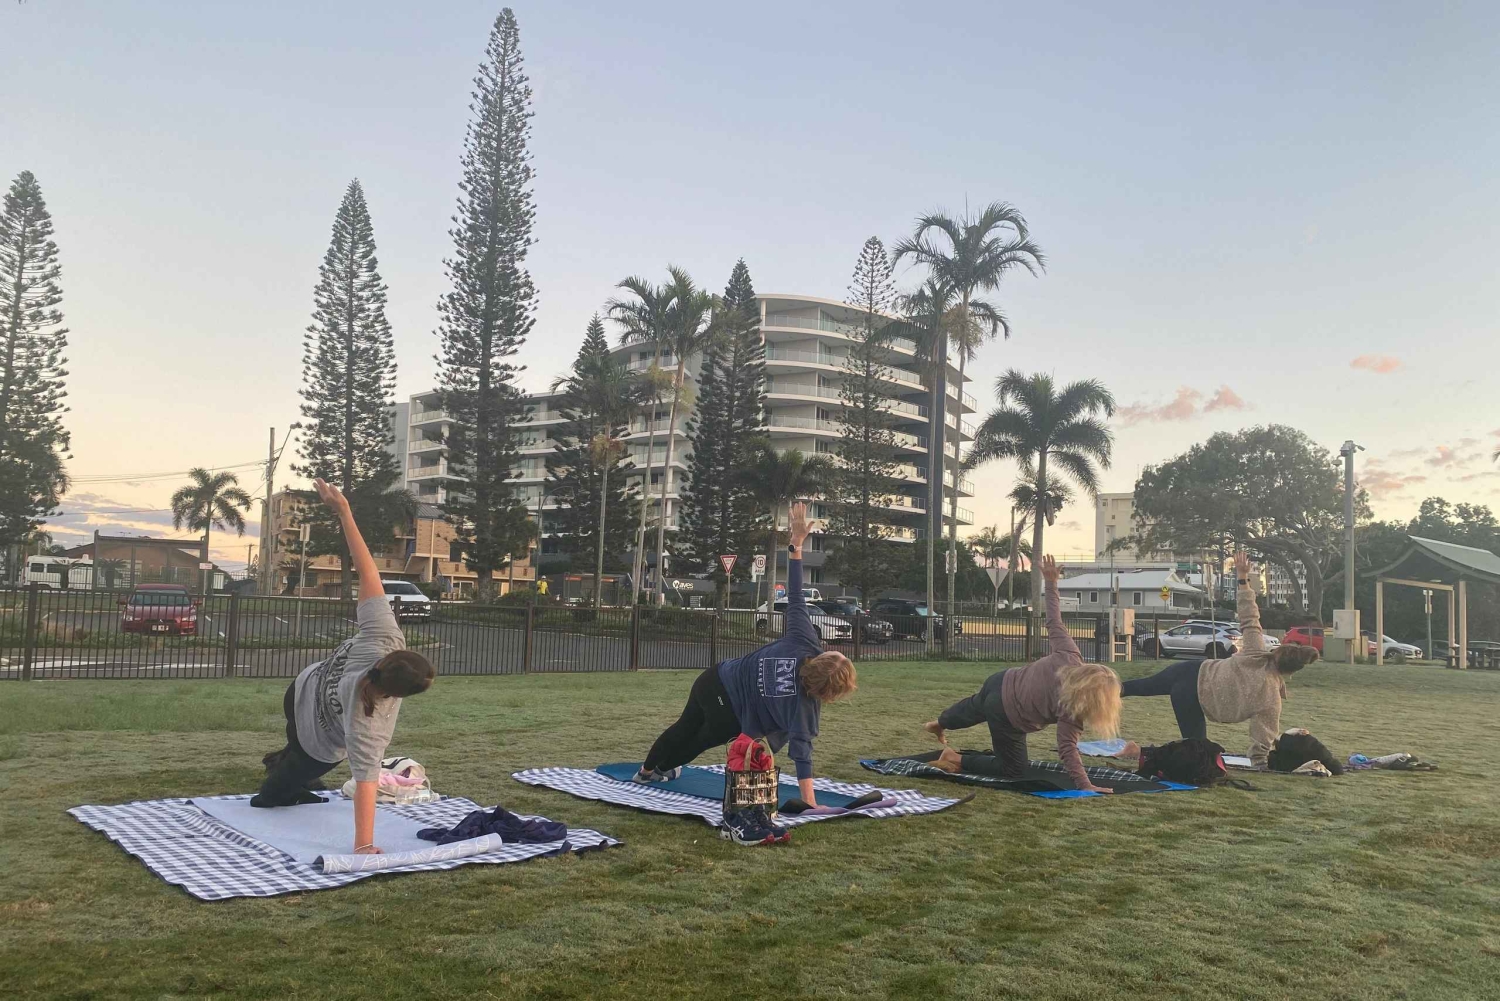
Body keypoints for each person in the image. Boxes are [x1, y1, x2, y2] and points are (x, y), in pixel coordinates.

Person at [252, 478, 436, 856]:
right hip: (314, 739)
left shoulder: (384, 637)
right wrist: (364, 844)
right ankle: (280, 780)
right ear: (399, 695)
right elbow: (365, 784)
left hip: (300, 689)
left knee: (299, 760)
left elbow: (368, 573)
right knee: (273, 795)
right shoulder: (371, 721)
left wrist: (344, 512)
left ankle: (288, 765)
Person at [634, 501, 857, 808]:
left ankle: (646, 772)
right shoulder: (803, 707)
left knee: (683, 726)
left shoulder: (804, 641)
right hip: (730, 712)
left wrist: (796, 545)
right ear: (828, 693)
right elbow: (802, 755)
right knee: (698, 740)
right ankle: (660, 770)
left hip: (714, 678)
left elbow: (795, 595)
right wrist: (811, 803)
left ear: (822, 658)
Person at [922, 556, 1123, 794]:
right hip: (1006, 714)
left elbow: (1054, 621)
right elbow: (1067, 749)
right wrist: (1086, 785)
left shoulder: (1070, 655)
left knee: (976, 706)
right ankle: (954, 757)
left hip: (999, 681)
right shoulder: (1072, 709)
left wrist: (1051, 583)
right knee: (1014, 769)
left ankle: (940, 722)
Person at [1119, 551, 1318, 769]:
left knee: (1137, 687)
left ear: (1278, 651)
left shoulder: (1256, 652)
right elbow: (1264, 735)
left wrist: (1242, 577)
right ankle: (1139, 751)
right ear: (1292, 671)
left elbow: (1250, 616)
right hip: (1192, 693)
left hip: (1189, 671)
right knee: (1197, 752)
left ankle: (1099, 688)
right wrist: (1259, 763)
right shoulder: (1271, 698)